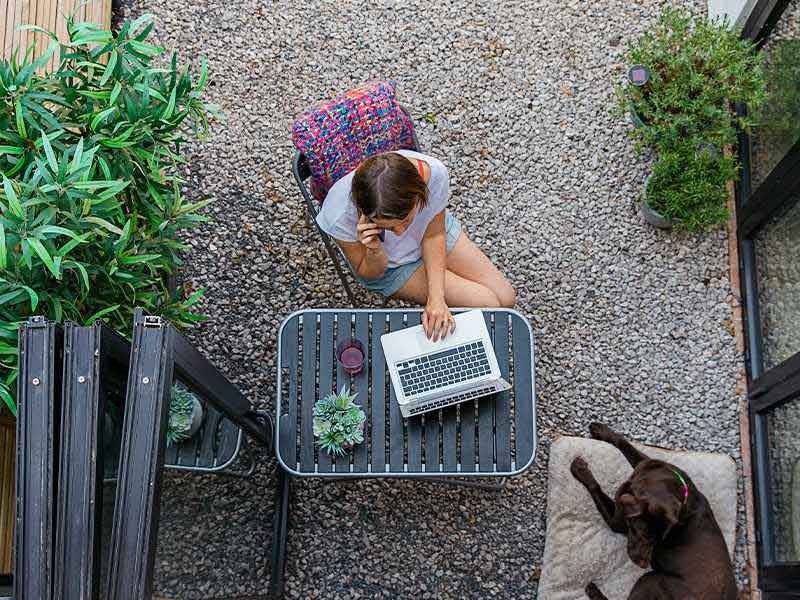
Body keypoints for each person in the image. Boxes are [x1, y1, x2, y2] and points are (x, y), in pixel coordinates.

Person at [316, 149, 516, 342]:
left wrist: (436, 298)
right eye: (388, 228)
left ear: (419, 194)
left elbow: (434, 233)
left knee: (506, 299)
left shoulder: (433, 174)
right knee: (488, 304)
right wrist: (374, 250)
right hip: (392, 268)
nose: (401, 232)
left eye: (407, 220)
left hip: (432, 236)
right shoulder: (337, 215)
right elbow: (369, 274)